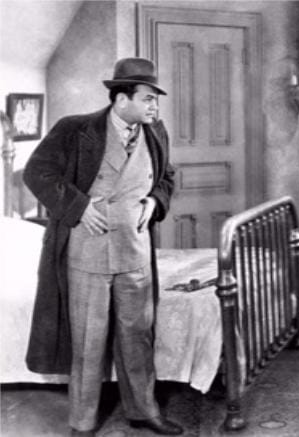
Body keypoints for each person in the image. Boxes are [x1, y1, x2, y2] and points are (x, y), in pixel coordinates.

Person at [23, 57, 181, 436]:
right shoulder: (76, 129)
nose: (154, 106)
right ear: (122, 99)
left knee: (138, 336)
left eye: (155, 99)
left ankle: (143, 411)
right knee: (87, 342)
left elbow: (167, 176)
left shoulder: (155, 132)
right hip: (88, 252)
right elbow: (36, 172)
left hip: (135, 251)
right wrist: (78, 207)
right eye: (147, 98)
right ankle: (82, 422)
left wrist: (154, 201)